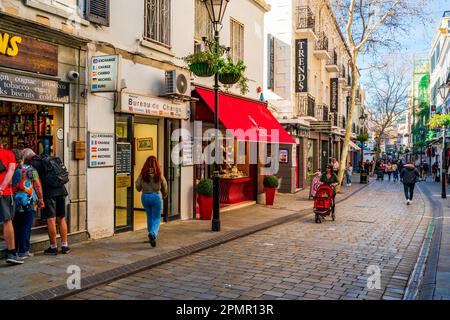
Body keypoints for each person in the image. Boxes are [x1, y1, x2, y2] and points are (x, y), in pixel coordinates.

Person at [23, 149, 70, 255]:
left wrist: (40, 198)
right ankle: (65, 245)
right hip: (61, 190)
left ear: (27, 158)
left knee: (51, 220)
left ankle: (53, 247)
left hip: (49, 193)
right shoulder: (47, 158)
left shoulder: (33, 164)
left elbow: (37, 183)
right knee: (61, 218)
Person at [11, 150, 44, 259]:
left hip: (14, 202)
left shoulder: (12, 169)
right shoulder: (31, 170)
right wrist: (40, 199)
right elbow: (38, 186)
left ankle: (14, 250)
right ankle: (24, 251)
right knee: (26, 226)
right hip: (28, 202)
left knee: (15, 226)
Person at [136, 156, 168, 248]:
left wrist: (141, 187)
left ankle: (150, 234)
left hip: (145, 196)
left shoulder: (143, 173)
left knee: (149, 216)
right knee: (157, 218)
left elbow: (137, 186)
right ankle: (153, 233)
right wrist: (165, 195)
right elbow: (164, 185)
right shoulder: (159, 173)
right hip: (156, 196)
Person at [0, 145, 23, 265]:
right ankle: (11, 253)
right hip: (4, 193)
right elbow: (11, 170)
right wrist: (2, 187)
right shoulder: (8, 154)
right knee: (7, 221)